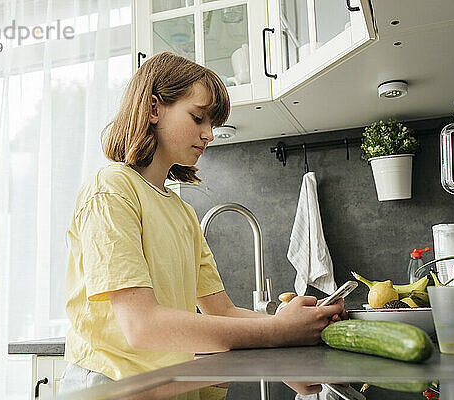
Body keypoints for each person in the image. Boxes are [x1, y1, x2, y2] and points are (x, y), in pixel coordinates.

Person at [59, 52, 347, 394]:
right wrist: (279, 332)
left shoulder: (182, 213)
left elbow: (222, 310)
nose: (209, 134)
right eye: (198, 118)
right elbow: (142, 326)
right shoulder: (111, 190)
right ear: (153, 109)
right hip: (112, 388)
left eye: (213, 124)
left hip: (167, 386)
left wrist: (297, 325)